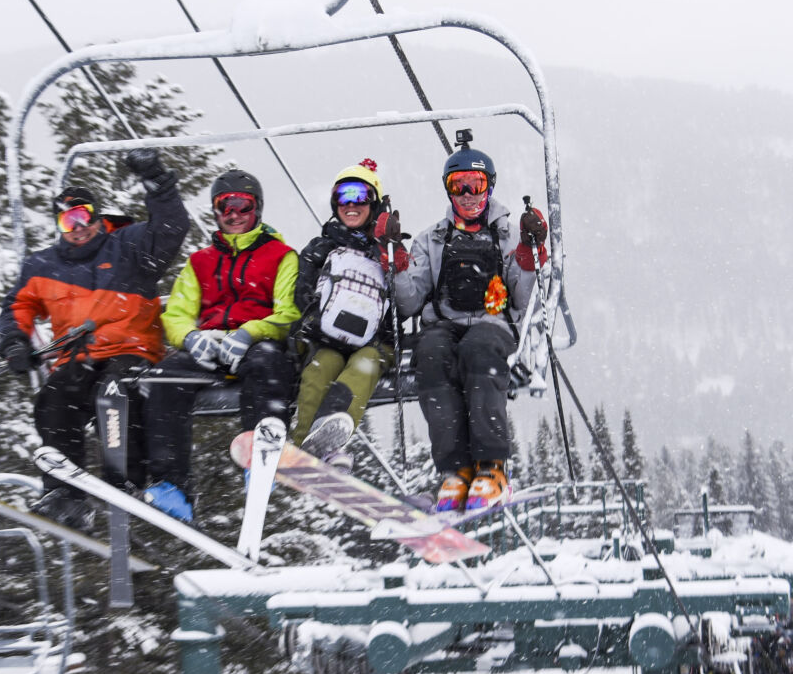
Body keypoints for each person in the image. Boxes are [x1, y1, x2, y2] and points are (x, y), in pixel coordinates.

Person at [0, 151, 190, 529]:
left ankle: (125, 480)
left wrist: (155, 179)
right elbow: (17, 306)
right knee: (54, 401)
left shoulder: (129, 247)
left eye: (83, 215)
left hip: (130, 348)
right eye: (68, 220)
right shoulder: (42, 266)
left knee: (115, 395)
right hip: (76, 355)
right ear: (59, 225)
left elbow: (171, 226)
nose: (78, 226)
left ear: (97, 216)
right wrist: (14, 342)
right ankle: (65, 493)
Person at [392, 138, 547, 512]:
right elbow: (410, 301)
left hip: (494, 323)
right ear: (447, 189)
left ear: (489, 186)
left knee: (479, 353)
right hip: (444, 323)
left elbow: (524, 300)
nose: (467, 195)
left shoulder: (509, 235)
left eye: (475, 185)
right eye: (457, 185)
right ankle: (455, 470)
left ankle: (492, 467)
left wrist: (530, 253)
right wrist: (395, 264)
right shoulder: (433, 239)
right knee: (431, 356)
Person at [141, 169, 300, 521]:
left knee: (268, 364)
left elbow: (288, 312)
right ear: (215, 212)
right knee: (163, 379)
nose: (233, 214)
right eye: (224, 206)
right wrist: (192, 338)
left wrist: (248, 334)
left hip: (256, 342)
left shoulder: (281, 256)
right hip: (212, 345)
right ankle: (172, 485)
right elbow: (177, 314)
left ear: (256, 209)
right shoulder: (200, 262)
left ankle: (263, 458)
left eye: (242, 205)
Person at [290, 159, 402, 463]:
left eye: (360, 196)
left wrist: (394, 256)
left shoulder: (389, 249)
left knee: (364, 365)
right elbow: (300, 292)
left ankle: (329, 438)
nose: (350, 205)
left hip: (375, 343)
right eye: (343, 196)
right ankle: (307, 448)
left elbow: (407, 297)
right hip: (327, 340)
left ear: (374, 202)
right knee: (321, 366)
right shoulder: (321, 248)